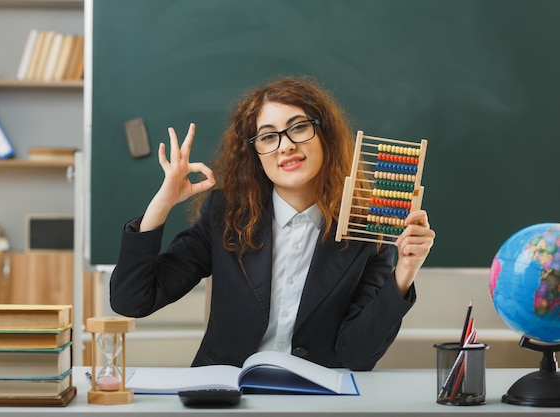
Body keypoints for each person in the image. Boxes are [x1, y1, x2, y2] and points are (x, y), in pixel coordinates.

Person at [110, 76, 435, 371]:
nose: (286, 145)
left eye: (298, 127)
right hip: (228, 397)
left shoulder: (366, 232)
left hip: (316, 400)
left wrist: (404, 273)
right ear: (255, 153)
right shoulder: (225, 215)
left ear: (324, 135)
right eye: (268, 137)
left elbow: (357, 355)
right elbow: (132, 300)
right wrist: (163, 202)